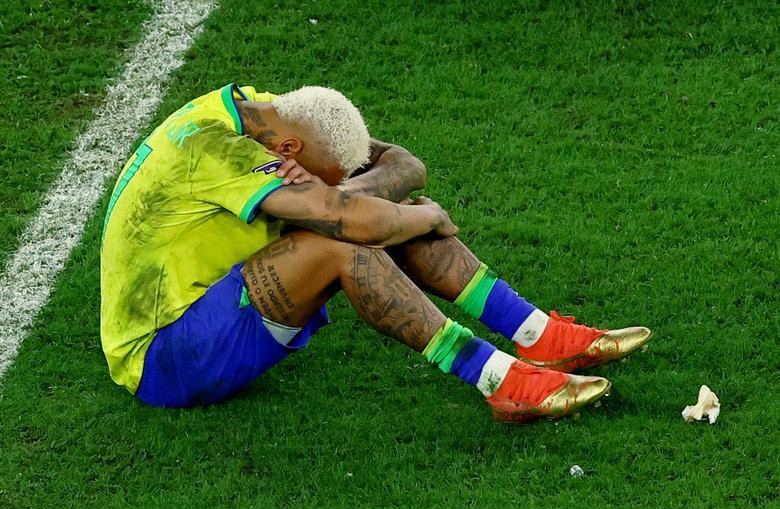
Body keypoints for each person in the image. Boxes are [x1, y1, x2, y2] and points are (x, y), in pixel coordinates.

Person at [100, 83, 652, 422]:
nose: (334, 184)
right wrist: (425, 215)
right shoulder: (213, 150)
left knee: (372, 208)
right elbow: (358, 221)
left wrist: (352, 193)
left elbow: (403, 165)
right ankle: (500, 382)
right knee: (339, 240)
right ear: (289, 150)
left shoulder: (270, 113)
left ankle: (538, 335)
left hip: (217, 305)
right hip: (166, 357)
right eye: (319, 174)